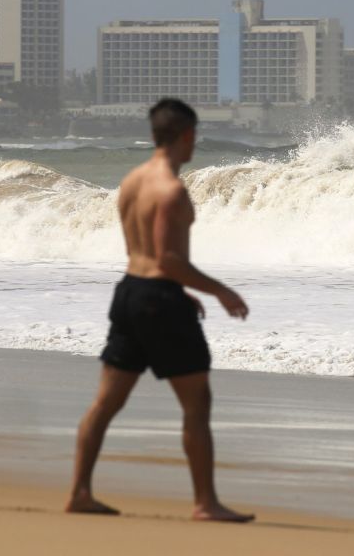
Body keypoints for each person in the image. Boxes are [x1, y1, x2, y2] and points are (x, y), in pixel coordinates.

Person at [66, 98, 255, 523]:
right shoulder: (171, 189)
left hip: (131, 293)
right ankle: (205, 503)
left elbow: (146, 255)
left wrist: (172, 289)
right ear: (187, 135)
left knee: (105, 403)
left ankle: (79, 492)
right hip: (159, 301)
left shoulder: (131, 181)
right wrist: (221, 292)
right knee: (196, 404)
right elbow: (169, 259)